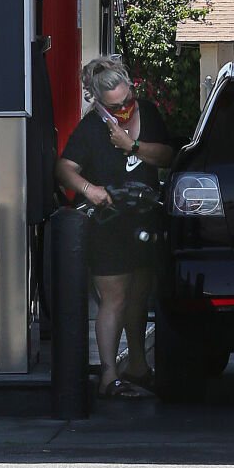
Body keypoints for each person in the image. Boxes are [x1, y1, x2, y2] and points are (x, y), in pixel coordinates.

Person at [55, 56, 177, 399]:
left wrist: (132, 145)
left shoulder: (148, 112)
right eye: (115, 105)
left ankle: (138, 365)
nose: (123, 108)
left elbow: (169, 155)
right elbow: (64, 168)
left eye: (127, 101)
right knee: (115, 297)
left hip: (143, 219)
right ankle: (109, 376)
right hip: (108, 224)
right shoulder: (92, 127)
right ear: (97, 101)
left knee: (140, 293)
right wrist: (91, 191)